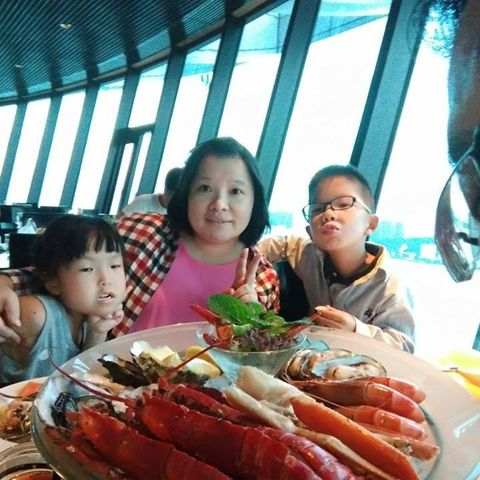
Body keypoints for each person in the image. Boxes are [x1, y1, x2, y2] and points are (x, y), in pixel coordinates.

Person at [0, 137, 279, 341]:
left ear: (255, 201)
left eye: (236, 191)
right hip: (111, 384)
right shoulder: (143, 232)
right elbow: (60, 272)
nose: (219, 204)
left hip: (203, 399)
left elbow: (263, 361)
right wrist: (4, 283)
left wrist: (251, 319)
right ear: (186, 195)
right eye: (204, 188)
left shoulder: (262, 278)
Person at [260, 165, 415, 352]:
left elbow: (404, 347)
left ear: (370, 224)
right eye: (317, 209)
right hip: (309, 356)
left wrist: (355, 329)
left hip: (360, 366)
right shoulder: (310, 255)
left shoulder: (389, 284)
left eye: (343, 204)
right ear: (310, 232)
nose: (328, 214)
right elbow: (275, 245)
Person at [0, 215, 126, 384]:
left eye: (114, 266)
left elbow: (77, 383)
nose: (106, 279)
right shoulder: (36, 314)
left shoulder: (88, 317)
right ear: (53, 282)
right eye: (87, 269)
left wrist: (97, 334)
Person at [117, 167, 183, 218]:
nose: (171, 199)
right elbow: (117, 221)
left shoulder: (182, 213)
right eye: (170, 194)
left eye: (177, 196)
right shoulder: (143, 201)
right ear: (165, 189)